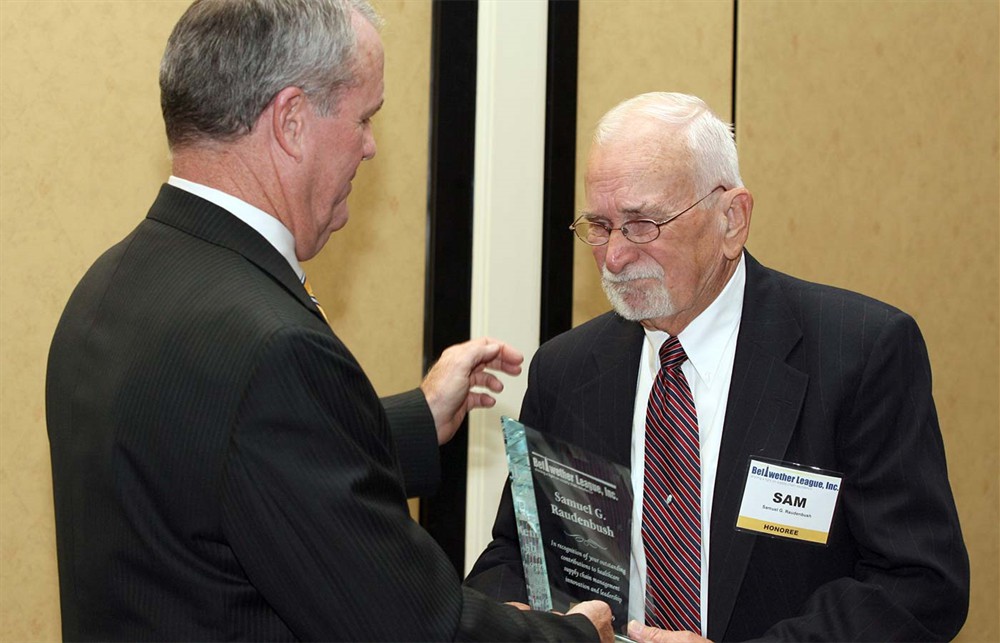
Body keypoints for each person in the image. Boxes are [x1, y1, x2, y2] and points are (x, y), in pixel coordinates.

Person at [44, 1, 614, 640]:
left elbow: (234, 461)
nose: (370, 149)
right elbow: (413, 628)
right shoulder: (270, 349)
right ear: (290, 120)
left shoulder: (111, 284)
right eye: (364, 118)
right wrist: (574, 634)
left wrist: (420, 417)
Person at [465, 92, 969, 642]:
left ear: (732, 219)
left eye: (641, 224)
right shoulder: (567, 370)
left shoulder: (859, 354)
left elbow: (918, 585)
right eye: (601, 225)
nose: (613, 257)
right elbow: (517, 553)